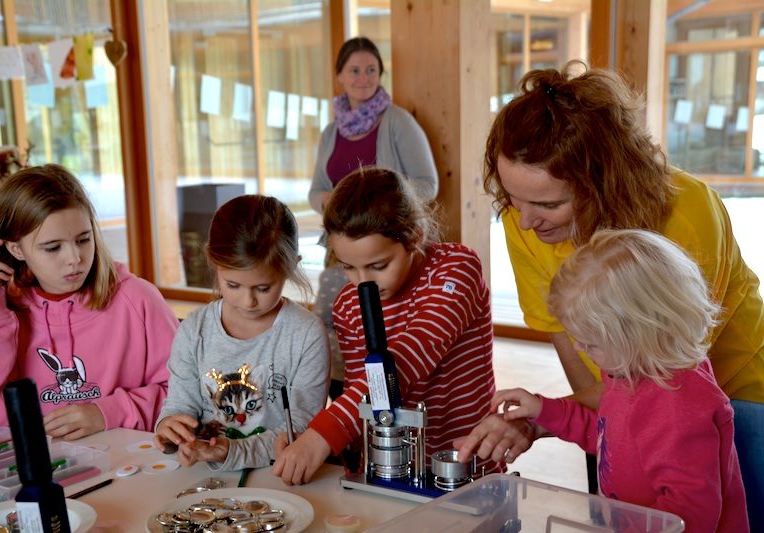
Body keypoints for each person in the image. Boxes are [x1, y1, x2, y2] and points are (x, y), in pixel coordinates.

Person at [455, 60, 763, 529]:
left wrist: (556, 420)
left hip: (739, 387)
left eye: (548, 203)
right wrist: (551, 417)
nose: (525, 222)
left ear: (604, 180)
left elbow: (662, 368)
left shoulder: (686, 212)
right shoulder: (528, 223)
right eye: (514, 200)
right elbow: (594, 369)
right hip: (644, 385)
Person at [273, 168, 528, 485]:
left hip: (468, 467)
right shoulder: (349, 304)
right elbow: (364, 392)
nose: (362, 283)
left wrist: (322, 435)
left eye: (378, 266)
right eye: (349, 267)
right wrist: (325, 446)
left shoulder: (456, 270)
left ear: (415, 237)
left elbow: (409, 356)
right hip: (395, 471)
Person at [494, 229, 748, 532]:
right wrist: (543, 409)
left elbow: (690, 514)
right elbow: (607, 441)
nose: (578, 349)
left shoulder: (678, 404)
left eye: (590, 344)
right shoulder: (627, 373)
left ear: (639, 333)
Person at [0, 164, 178, 439]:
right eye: (53, 247)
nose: (74, 258)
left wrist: (108, 412)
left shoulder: (138, 300)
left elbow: (187, 394)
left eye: (83, 240)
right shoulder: (0, 313)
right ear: (15, 248)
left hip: (129, 467)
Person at [154, 195, 330, 470]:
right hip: (203, 476)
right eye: (233, 285)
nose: (248, 301)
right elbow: (180, 404)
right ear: (213, 262)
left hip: (280, 475)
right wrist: (171, 427)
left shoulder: (305, 334)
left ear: (292, 266)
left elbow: (299, 428)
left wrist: (233, 452)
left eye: (263, 288)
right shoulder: (193, 330)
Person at [309, 36, 439, 399]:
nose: (364, 77)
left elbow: (428, 185)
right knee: (334, 322)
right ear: (339, 76)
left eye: (371, 70)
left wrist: (378, 200)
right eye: (355, 70)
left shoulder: (398, 121)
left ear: (381, 74)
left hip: (385, 241)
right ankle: (344, 397)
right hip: (340, 244)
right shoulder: (331, 131)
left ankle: (382, 397)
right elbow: (315, 189)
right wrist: (328, 199)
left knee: (382, 328)